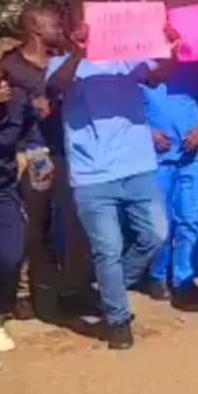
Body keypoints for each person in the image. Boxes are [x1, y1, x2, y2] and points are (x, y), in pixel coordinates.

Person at [45, 19, 175, 349]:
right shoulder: (61, 63)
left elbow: (158, 75)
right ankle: (118, 320)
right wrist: (78, 53)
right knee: (108, 249)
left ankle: (108, 287)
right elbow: (57, 87)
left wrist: (171, 49)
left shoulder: (127, 59)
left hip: (138, 167)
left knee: (156, 235)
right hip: (92, 175)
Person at [0, 6, 93, 319]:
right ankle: (25, 291)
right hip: (33, 154)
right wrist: (25, 107)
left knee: (75, 221)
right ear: (36, 29)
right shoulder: (9, 67)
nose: (60, 28)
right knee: (33, 226)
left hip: (64, 151)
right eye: (54, 24)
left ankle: (73, 289)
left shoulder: (59, 63)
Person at [0, 60, 47, 373]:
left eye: (4, 79)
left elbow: (33, 135)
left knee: (11, 255)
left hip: (3, 185)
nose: (5, 86)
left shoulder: (18, 104)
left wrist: (40, 160)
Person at [140, 61, 198, 306]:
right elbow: (126, 111)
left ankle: (184, 279)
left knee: (191, 219)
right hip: (157, 158)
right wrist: (148, 133)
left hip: (193, 157)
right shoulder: (141, 69)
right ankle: (157, 275)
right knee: (160, 222)